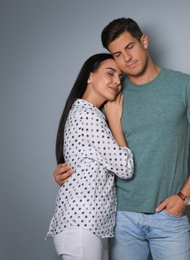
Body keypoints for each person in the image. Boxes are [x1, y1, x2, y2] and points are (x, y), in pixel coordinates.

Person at [54, 18, 190, 260]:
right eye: (117, 54)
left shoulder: (185, 86)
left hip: (168, 216)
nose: (126, 58)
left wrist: (185, 196)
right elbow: (88, 144)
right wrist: (67, 171)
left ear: (144, 41)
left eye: (129, 47)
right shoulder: (111, 93)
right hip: (120, 217)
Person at [46, 53, 134, 260]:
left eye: (120, 77)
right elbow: (125, 167)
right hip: (81, 226)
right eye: (110, 73)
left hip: (90, 225)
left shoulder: (88, 112)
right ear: (89, 76)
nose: (116, 81)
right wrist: (115, 122)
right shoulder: (87, 115)